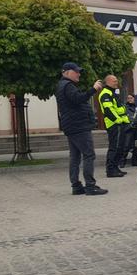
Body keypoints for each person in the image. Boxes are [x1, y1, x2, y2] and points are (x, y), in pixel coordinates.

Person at [55, 62, 107, 196]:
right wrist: (93, 89)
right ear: (66, 72)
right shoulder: (67, 86)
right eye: (76, 71)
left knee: (75, 156)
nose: (79, 74)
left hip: (72, 126)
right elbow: (78, 99)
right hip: (78, 126)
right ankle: (90, 186)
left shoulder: (63, 85)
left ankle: (76, 186)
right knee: (89, 154)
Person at [98, 75, 130, 178]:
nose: (116, 82)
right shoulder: (105, 94)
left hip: (120, 123)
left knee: (119, 147)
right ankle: (111, 170)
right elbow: (108, 110)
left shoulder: (112, 92)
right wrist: (118, 120)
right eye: (114, 81)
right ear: (107, 82)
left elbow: (119, 108)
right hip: (114, 124)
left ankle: (115, 168)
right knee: (114, 147)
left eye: (116, 80)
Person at [121, 94, 137, 167]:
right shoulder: (125, 107)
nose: (129, 99)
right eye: (128, 98)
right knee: (126, 145)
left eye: (131, 98)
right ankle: (122, 161)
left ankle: (134, 161)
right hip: (129, 128)